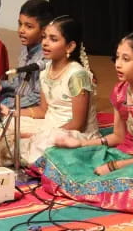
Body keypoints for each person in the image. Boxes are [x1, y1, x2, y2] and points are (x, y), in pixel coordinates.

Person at [35, 32, 133, 215]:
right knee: (57, 155)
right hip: (123, 153)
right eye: (117, 57)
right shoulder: (120, 90)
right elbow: (118, 136)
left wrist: (114, 166)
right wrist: (80, 144)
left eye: (126, 59)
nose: (118, 64)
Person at [18, 15, 100, 165]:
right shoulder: (45, 69)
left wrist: (41, 135)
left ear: (70, 47)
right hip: (50, 126)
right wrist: (14, 113)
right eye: (44, 37)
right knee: (9, 128)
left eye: (53, 39)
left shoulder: (77, 75)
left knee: (36, 145)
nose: (45, 43)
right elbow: (43, 110)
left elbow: (78, 124)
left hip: (73, 135)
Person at [0, 0, 53, 164]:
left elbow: (37, 97)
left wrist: (9, 106)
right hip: (19, 103)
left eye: (29, 26)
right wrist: (0, 85)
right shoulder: (26, 48)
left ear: (44, 31)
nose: (21, 30)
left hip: (36, 110)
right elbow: (20, 83)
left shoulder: (46, 58)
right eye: (20, 24)